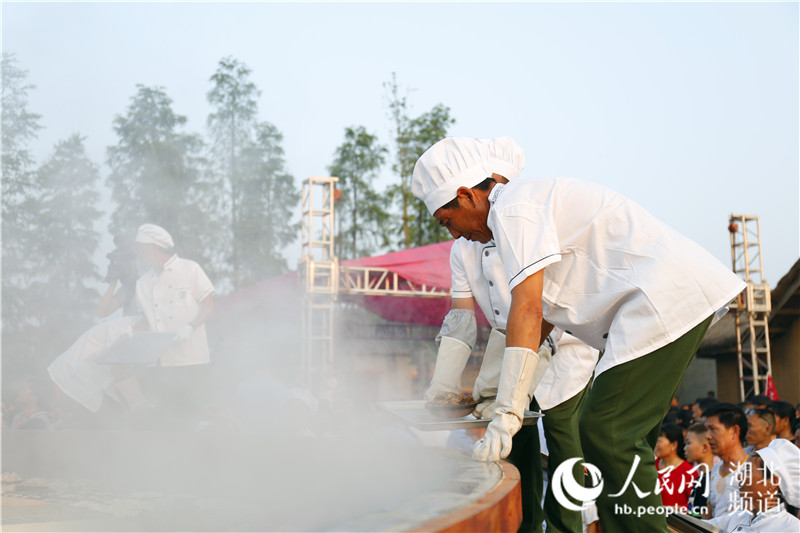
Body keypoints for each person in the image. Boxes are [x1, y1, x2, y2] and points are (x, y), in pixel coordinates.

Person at [411, 137, 745, 532]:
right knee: (624, 446)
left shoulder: (515, 208)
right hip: (649, 309)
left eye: (447, 221)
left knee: (605, 430)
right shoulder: (515, 212)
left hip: (662, 300)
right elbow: (545, 317)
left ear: (466, 196)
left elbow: (529, 309)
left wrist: (505, 413)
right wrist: (496, 395)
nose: (453, 235)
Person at [421, 137, 598, 532]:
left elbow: (538, 313)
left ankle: (568, 527)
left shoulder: (524, 225)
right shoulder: (463, 250)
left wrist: (500, 396)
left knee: (561, 434)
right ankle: (526, 524)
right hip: (514, 343)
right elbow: (462, 319)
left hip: (563, 343)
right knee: (515, 444)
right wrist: (443, 385)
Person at [48, 224, 214, 419]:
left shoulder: (189, 269)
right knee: (169, 418)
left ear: (153, 246)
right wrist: (122, 341)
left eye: (140, 247)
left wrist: (190, 326)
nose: (138, 253)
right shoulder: (143, 282)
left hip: (192, 358)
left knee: (193, 414)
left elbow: (208, 304)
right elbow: (144, 320)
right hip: (162, 362)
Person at [705, 439, 800, 532]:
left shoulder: (791, 528)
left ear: (773, 482)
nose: (739, 476)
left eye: (747, 471)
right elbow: (695, 526)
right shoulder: (737, 518)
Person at [703, 403, 749, 519]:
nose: (708, 436)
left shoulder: (753, 470)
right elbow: (709, 515)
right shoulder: (715, 469)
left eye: (713, 429)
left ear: (734, 431)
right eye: (706, 430)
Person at [654, 422, 696, 512]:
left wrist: (674, 509)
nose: (655, 445)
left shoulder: (688, 472)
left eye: (659, 441)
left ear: (673, 445)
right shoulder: (651, 465)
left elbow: (694, 505)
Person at [684, 423, 715, 518]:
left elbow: (698, 522)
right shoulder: (702, 477)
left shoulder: (708, 480)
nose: (685, 448)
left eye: (688, 443)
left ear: (705, 447)